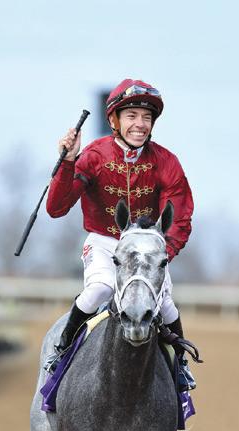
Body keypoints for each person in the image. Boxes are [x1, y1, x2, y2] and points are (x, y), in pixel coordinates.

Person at [45, 78, 196, 390]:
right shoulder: (94, 156)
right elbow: (56, 208)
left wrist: (160, 254)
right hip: (104, 242)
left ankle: (180, 367)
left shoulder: (166, 162)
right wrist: (68, 162)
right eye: (132, 116)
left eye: (146, 117)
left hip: (146, 247)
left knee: (166, 305)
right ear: (114, 120)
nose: (140, 124)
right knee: (100, 289)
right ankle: (61, 352)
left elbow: (179, 217)